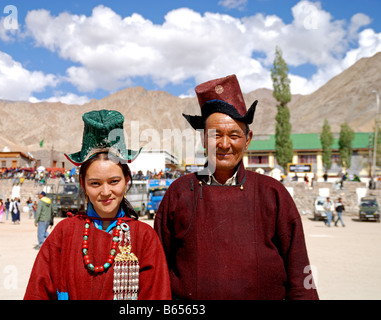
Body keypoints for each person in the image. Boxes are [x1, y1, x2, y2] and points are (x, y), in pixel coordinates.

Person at [154, 74, 319, 300]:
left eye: (233, 135)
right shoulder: (179, 193)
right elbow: (158, 272)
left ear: (248, 139)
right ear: (203, 140)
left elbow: (299, 271)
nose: (224, 144)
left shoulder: (272, 193)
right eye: (215, 135)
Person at [24, 109, 171, 300]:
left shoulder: (144, 237)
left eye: (114, 181)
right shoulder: (64, 233)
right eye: (95, 183)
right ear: (82, 183)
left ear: (126, 180)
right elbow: (38, 292)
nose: (105, 192)